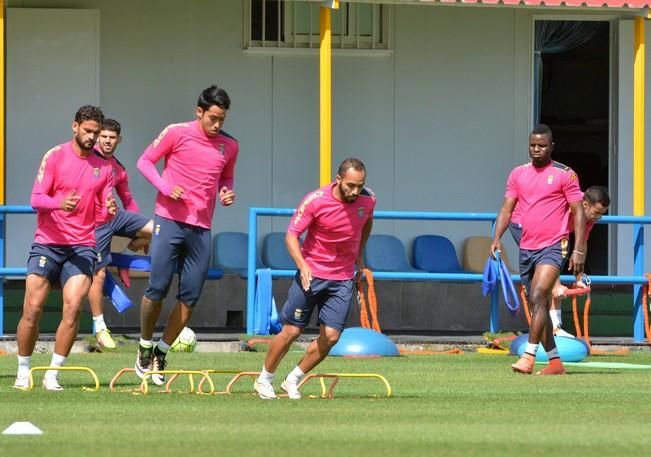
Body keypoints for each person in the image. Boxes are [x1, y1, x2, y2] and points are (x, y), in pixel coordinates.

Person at [135, 85, 238, 385]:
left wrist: (226, 191)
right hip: (168, 221)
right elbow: (144, 162)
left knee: (190, 295)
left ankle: (161, 352)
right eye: (213, 118)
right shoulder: (176, 132)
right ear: (199, 111)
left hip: (202, 228)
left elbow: (226, 175)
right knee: (157, 288)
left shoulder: (230, 145)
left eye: (222, 119)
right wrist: (166, 188)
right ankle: (143, 346)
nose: (217, 125)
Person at [254, 158, 376, 400]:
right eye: (350, 185)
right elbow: (291, 236)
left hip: (341, 278)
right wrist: (302, 264)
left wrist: (359, 255)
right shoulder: (316, 200)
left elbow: (366, 223)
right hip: (312, 275)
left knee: (331, 336)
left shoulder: (368, 200)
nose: (355, 191)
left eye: (360, 186)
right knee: (292, 331)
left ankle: (293, 379)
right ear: (338, 179)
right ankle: (264, 379)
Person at [14, 105, 116, 390]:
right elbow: (36, 199)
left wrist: (109, 210)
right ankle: (24, 370)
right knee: (32, 309)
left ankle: (53, 374)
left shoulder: (105, 167)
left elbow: (100, 214)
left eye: (96, 133)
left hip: (82, 246)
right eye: (88, 131)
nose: (92, 137)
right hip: (47, 243)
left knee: (72, 309)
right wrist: (59, 203)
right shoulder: (55, 156)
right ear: (75, 127)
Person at [490, 124, 586, 376]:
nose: (536, 149)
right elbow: (507, 209)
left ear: (551, 147)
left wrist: (579, 249)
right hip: (527, 246)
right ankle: (555, 363)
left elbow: (578, 211)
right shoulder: (518, 174)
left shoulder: (566, 174)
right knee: (537, 305)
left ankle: (529, 356)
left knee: (539, 294)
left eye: (542, 145)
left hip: (555, 244)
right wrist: (496, 237)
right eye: (533, 145)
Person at [509, 185, 610, 338]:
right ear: (584, 205)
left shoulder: (589, 216)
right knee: (547, 273)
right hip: (523, 222)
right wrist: (556, 285)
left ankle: (556, 327)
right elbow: (551, 250)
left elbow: (581, 244)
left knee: (551, 275)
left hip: (548, 234)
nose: (598, 218)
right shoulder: (564, 208)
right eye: (596, 213)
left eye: (601, 215)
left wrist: (579, 278)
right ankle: (550, 328)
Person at [88, 119, 153, 349]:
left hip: (115, 217)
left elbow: (127, 199)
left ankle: (125, 256)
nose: (107, 141)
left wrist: (136, 231)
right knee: (99, 275)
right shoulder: (87, 159)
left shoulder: (119, 168)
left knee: (157, 229)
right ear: (97, 137)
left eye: (111, 137)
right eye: (103, 136)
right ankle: (100, 327)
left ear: (119, 140)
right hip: (94, 225)